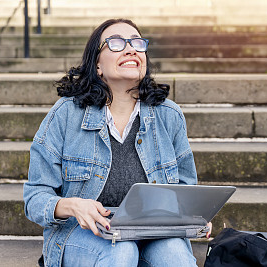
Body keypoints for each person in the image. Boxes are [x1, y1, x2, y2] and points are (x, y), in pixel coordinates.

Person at [23, 18, 211, 267]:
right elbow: (35, 197)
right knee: (121, 252)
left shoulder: (169, 115)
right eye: (116, 43)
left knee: (174, 256)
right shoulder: (66, 114)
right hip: (82, 234)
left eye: (137, 43)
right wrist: (72, 205)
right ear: (97, 64)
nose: (131, 48)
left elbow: (186, 191)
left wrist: (193, 216)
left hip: (153, 233)